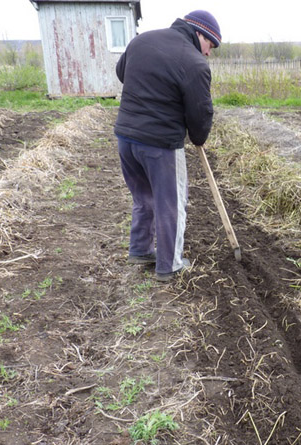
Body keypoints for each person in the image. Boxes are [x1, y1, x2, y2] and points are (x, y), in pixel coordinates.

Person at [114, 10, 222, 282]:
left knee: (143, 197)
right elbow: (200, 112)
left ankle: (140, 249)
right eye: (211, 44)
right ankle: (169, 264)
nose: (209, 52)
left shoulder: (142, 41)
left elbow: (121, 72)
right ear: (199, 34)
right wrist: (198, 137)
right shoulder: (194, 63)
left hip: (126, 138)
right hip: (160, 145)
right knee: (171, 204)